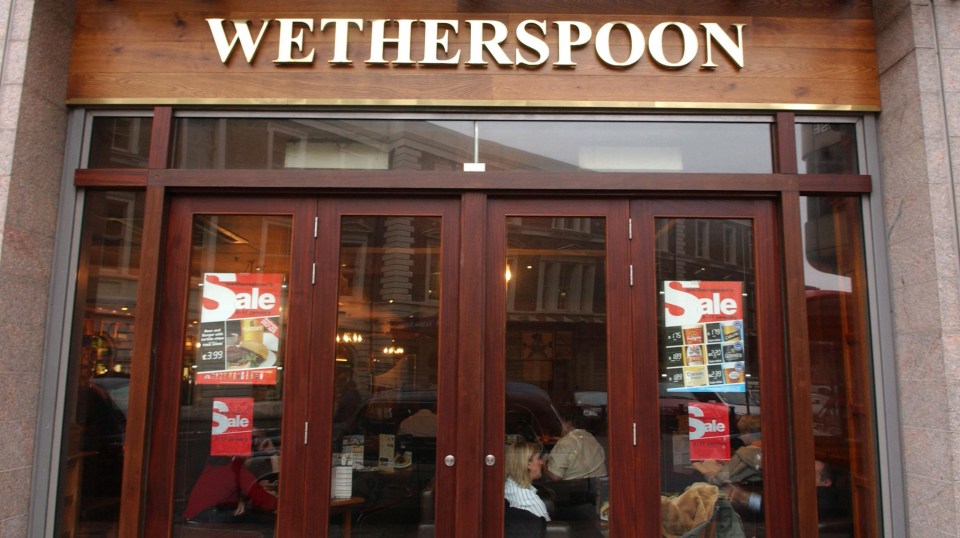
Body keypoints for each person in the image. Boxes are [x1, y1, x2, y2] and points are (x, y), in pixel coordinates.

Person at [720, 459, 842, 519]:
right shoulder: (802, 491)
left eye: (809, 473)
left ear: (826, 483)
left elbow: (782, 510)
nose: (802, 476)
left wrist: (746, 497)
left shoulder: (826, 499)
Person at [183, 455, 278, 523]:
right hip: (205, 520)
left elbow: (220, 492)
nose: (252, 454)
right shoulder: (236, 468)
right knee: (266, 522)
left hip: (191, 519)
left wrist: (239, 500)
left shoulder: (213, 466)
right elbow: (268, 503)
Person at [543, 406, 607, 481]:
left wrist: (543, 465)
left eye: (559, 422)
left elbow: (555, 477)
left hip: (576, 489)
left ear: (568, 423)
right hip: (600, 486)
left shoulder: (565, 442)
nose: (558, 426)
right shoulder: (590, 437)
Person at [504, 440, 551, 521]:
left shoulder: (507, 486)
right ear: (528, 464)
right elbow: (547, 530)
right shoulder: (529, 500)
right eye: (538, 458)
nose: (541, 463)